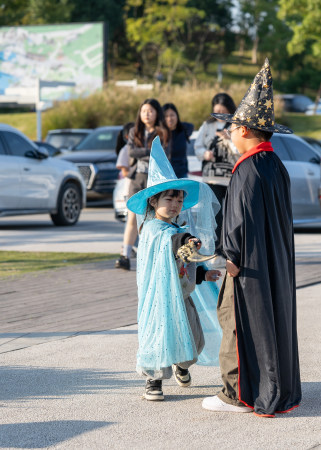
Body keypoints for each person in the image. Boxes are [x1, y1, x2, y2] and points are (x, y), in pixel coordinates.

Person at [201, 60, 301, 417]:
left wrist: (228, 256)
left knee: (234, 323)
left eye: (231, 129)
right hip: (273, 263)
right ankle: (269, 387)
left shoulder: (246, 167)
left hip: (246, 266)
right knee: (271, 323)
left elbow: (237, 221)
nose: (227, 134)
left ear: (244, 128)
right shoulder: (276, 166)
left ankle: (236, 394)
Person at [127, 137, 222, 401]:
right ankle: (154, 381)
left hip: (182, 296)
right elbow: (174, 244)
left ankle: (182, 366)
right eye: (169, 199)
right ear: (153, 201)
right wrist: (186, 241)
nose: (175, 205)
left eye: (179, 201)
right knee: (158, 339)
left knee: (194, 340)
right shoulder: (154, 231)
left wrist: (202, 273)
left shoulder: (176, 230)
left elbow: (182, 260)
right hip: (158, 300)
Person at [115, 99, 169, 271]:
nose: (147, 114)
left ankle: (152, 255)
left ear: (157, 113)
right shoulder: (134, 131)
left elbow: (163, 153)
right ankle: (125, 255)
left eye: (151, 111)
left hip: (155, 181)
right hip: (137, 179)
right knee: (132, 218)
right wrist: (150, 151)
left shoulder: (163, 131)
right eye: (144, 110)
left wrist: (144, 152)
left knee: (153, 219)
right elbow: (131, 151)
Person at [194, 93, 238, 243]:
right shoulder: (207, 126)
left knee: (232, 214)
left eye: (224, 112)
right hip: (212, 177)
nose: (220, 115)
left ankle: (230, 246)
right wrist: (205, 154)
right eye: (217, 111)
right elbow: (197, 146)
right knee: (214, 214)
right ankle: (216, 246)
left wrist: (230, 139)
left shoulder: (235, 126)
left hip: (230, 177)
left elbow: (240, 150)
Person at [162, 103, 194, 178]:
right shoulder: (159, 134)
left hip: (181, 174)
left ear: (177, 116)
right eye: (166, 116)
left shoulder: (184, 129)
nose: (169, 118)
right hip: (164, 176)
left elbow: (191, 126)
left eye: (172, 115)